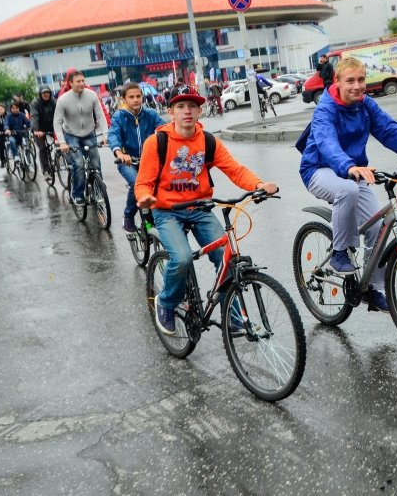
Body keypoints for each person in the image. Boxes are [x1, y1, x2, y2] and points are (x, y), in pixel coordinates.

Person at [134, 85, 278, 334]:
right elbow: (144, 183)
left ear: (200, 111)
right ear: (171, 112)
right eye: (180, 106)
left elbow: (234, 169)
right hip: (167, 211)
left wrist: (258, 184)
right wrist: (145, 197)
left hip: (200, 208)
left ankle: (232, 318)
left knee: (228, 259)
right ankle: (166, 303)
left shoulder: (208, 140)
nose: (187, 111)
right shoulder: (157, 142)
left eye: (192, 106)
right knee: (182, 257)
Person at [299, 57, 397, 311]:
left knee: (378, 226)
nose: (357, 86)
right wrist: (349, 167)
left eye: (361, 80)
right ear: (337, 83)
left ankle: (368, 288)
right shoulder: (325, 109)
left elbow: (390, 131)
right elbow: (327, 143)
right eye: (350, 80)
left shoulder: (366, 105)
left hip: (354, 170)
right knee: (347, 190)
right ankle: (340, 251)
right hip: (319, 170)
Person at [108, 81, 165, 232]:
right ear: (124, 99)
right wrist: (120, 153)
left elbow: (164, 129)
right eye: (131, 97)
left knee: (161, 182)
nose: (135, 100)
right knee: (136, 183)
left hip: (148, 160)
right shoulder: (119, 117)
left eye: (138, 96)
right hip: (127, 161)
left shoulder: (150, 114)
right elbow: (113, 135)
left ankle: (162, 216)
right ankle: (128, 216)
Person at [54, 68, 109, 205]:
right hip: (71, 135)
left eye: (83, 80)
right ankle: (77, 194)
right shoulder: (62, 100)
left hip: (89, 133)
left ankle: (98, 189)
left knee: (96, 163)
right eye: (78, 81)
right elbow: (57, 122)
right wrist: (62, 142)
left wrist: (105, 134)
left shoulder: (91, 95)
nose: (81, 83)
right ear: (70, 83)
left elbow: (100, 115)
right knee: (78, 164)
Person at [30, 86, 58, 177]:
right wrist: (36, 130)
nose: (46, 94)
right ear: (40, 94)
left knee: (62, 142)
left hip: (52, 127)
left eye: (47, 92)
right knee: (43, 148)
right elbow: (34, 117)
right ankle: (45, 170)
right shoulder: (35, 103)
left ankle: (62, 158)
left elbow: (60, 114)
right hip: (39, 129)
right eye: (43, 93)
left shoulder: (54, 101)